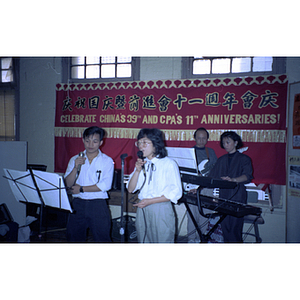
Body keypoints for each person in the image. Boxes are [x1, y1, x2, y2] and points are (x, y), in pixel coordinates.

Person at [126, 128, 182, 243]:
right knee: (143, 241)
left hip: (161, 208)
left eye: (145, 142)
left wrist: (150, 201)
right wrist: (137, 171)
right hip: (143, 209)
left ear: (155, 144)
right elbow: (130, 189)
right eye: (139, 143)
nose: (141, 146)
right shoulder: (142, 163)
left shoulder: (169, 164)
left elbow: (176, 193)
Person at [64, 126, 114, 242]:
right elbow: (67, 183)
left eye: (95, 141)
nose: (90, 144)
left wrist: (81, 189)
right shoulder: (74, 159)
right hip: (78, 204)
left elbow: (105, 185)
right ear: (83, 140)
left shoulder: (107, 161)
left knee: (102, 239)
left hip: (98, 205)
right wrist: (75, 167)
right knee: (74, 238)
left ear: (101, 142)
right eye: (87, 141)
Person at [208, 131, 253, 243]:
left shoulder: (244, 159)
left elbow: (247, 176)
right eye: (223, 143)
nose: (225, 145)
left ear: (236, 142)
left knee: (234, 227)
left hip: (238, 195)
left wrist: (234, 180)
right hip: (224, 196)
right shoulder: (221, 159)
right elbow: (211, 177)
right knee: (225, 226)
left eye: (228, 142)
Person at [187, 127, 218, 242]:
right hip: (193, 187)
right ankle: (191, 239)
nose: (201, 140)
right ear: (194, 138)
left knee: (205, 214)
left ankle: (201, 238)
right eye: (198, 138)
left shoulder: (210, 152)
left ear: (207, 139)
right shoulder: (189, 152)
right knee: (192, 215)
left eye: (203, 138)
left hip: (207, 188)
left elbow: (215, 169)